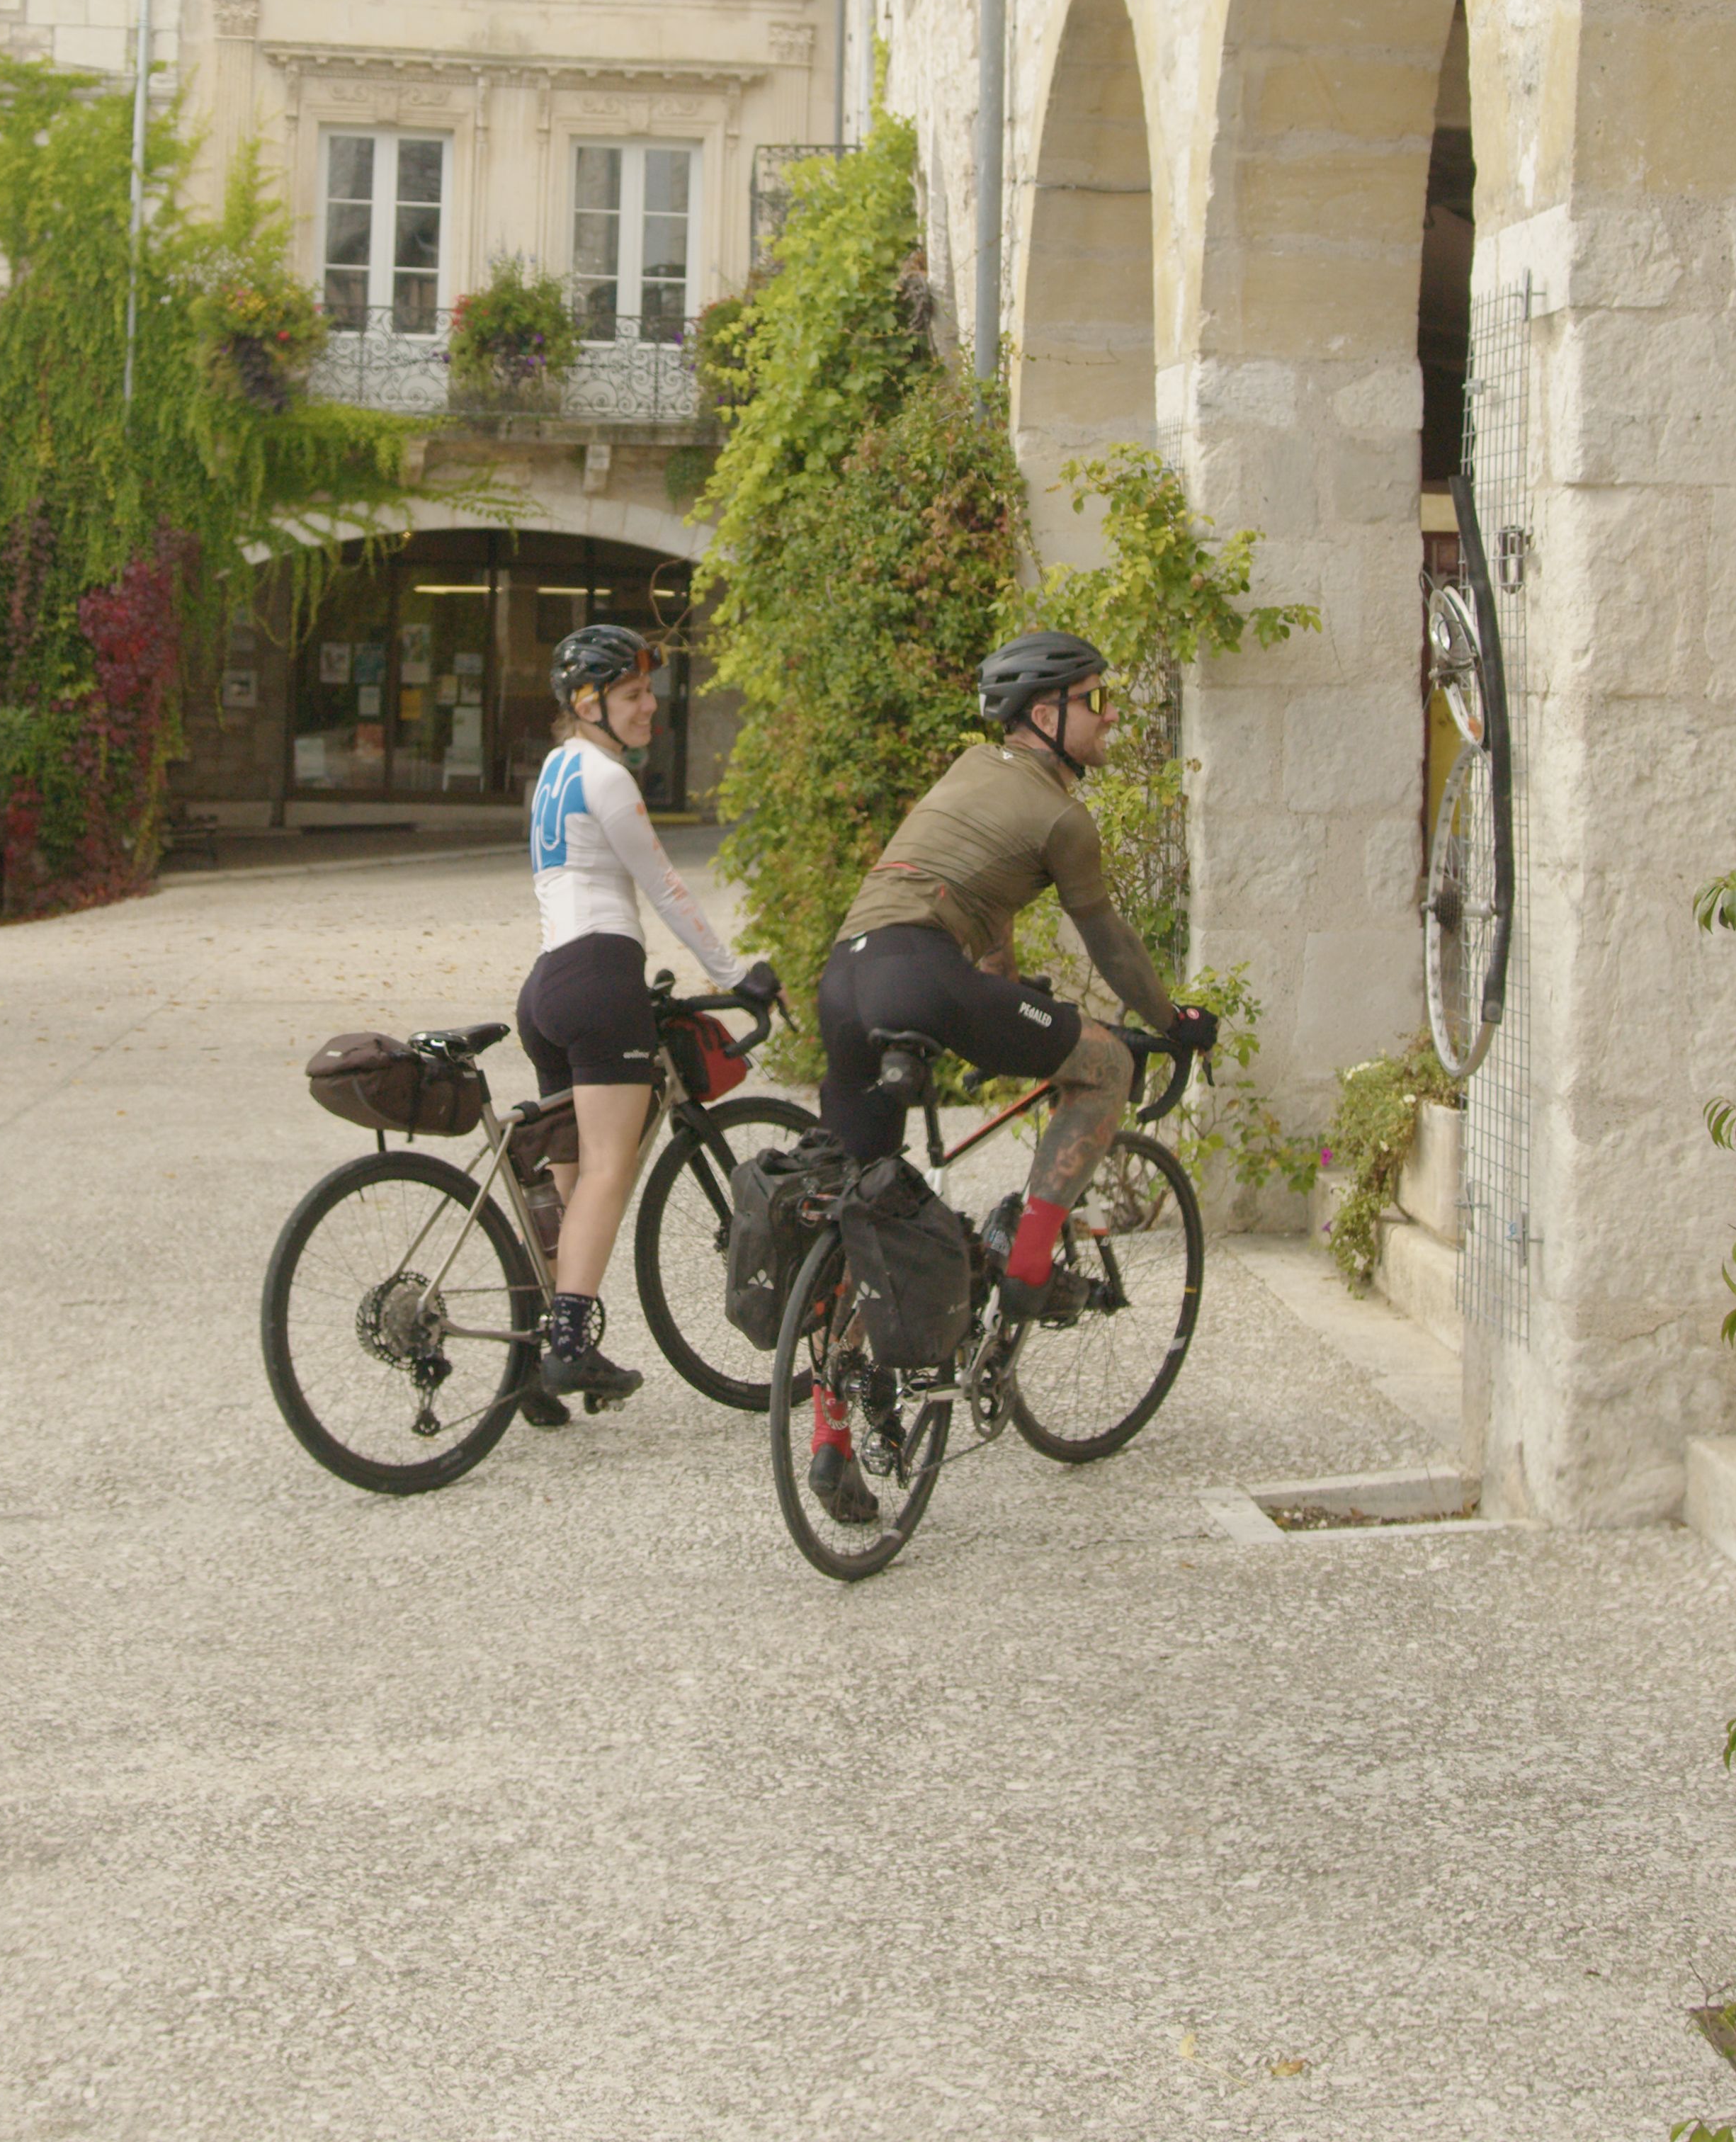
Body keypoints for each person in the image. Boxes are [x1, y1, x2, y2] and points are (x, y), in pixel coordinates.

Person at [810, 628, 1217, 1523]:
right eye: (1096, 699)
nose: (1110, 716)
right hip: (922, 970)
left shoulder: (969, 769)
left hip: (844, 977)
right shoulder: (1064, 816)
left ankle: (829, 1441)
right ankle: (1030, 1266)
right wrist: (1170, 1022)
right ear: (1047, 712)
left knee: (867, 1209)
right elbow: (1108, 942)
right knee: (1104, 1064)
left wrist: (993, 973)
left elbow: (962, 877)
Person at [518, 621, 779, 1414]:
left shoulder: (555, 768)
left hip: (547, 987)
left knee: (576, 1190)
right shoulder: (606, 776)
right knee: (607, 1170)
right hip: (601, 980)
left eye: (650, 695)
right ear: (588, 701)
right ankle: (566, 1347)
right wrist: (741, 975)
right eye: (632, 695)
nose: (649, 710)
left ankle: (546, 1349)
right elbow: (665, 888)